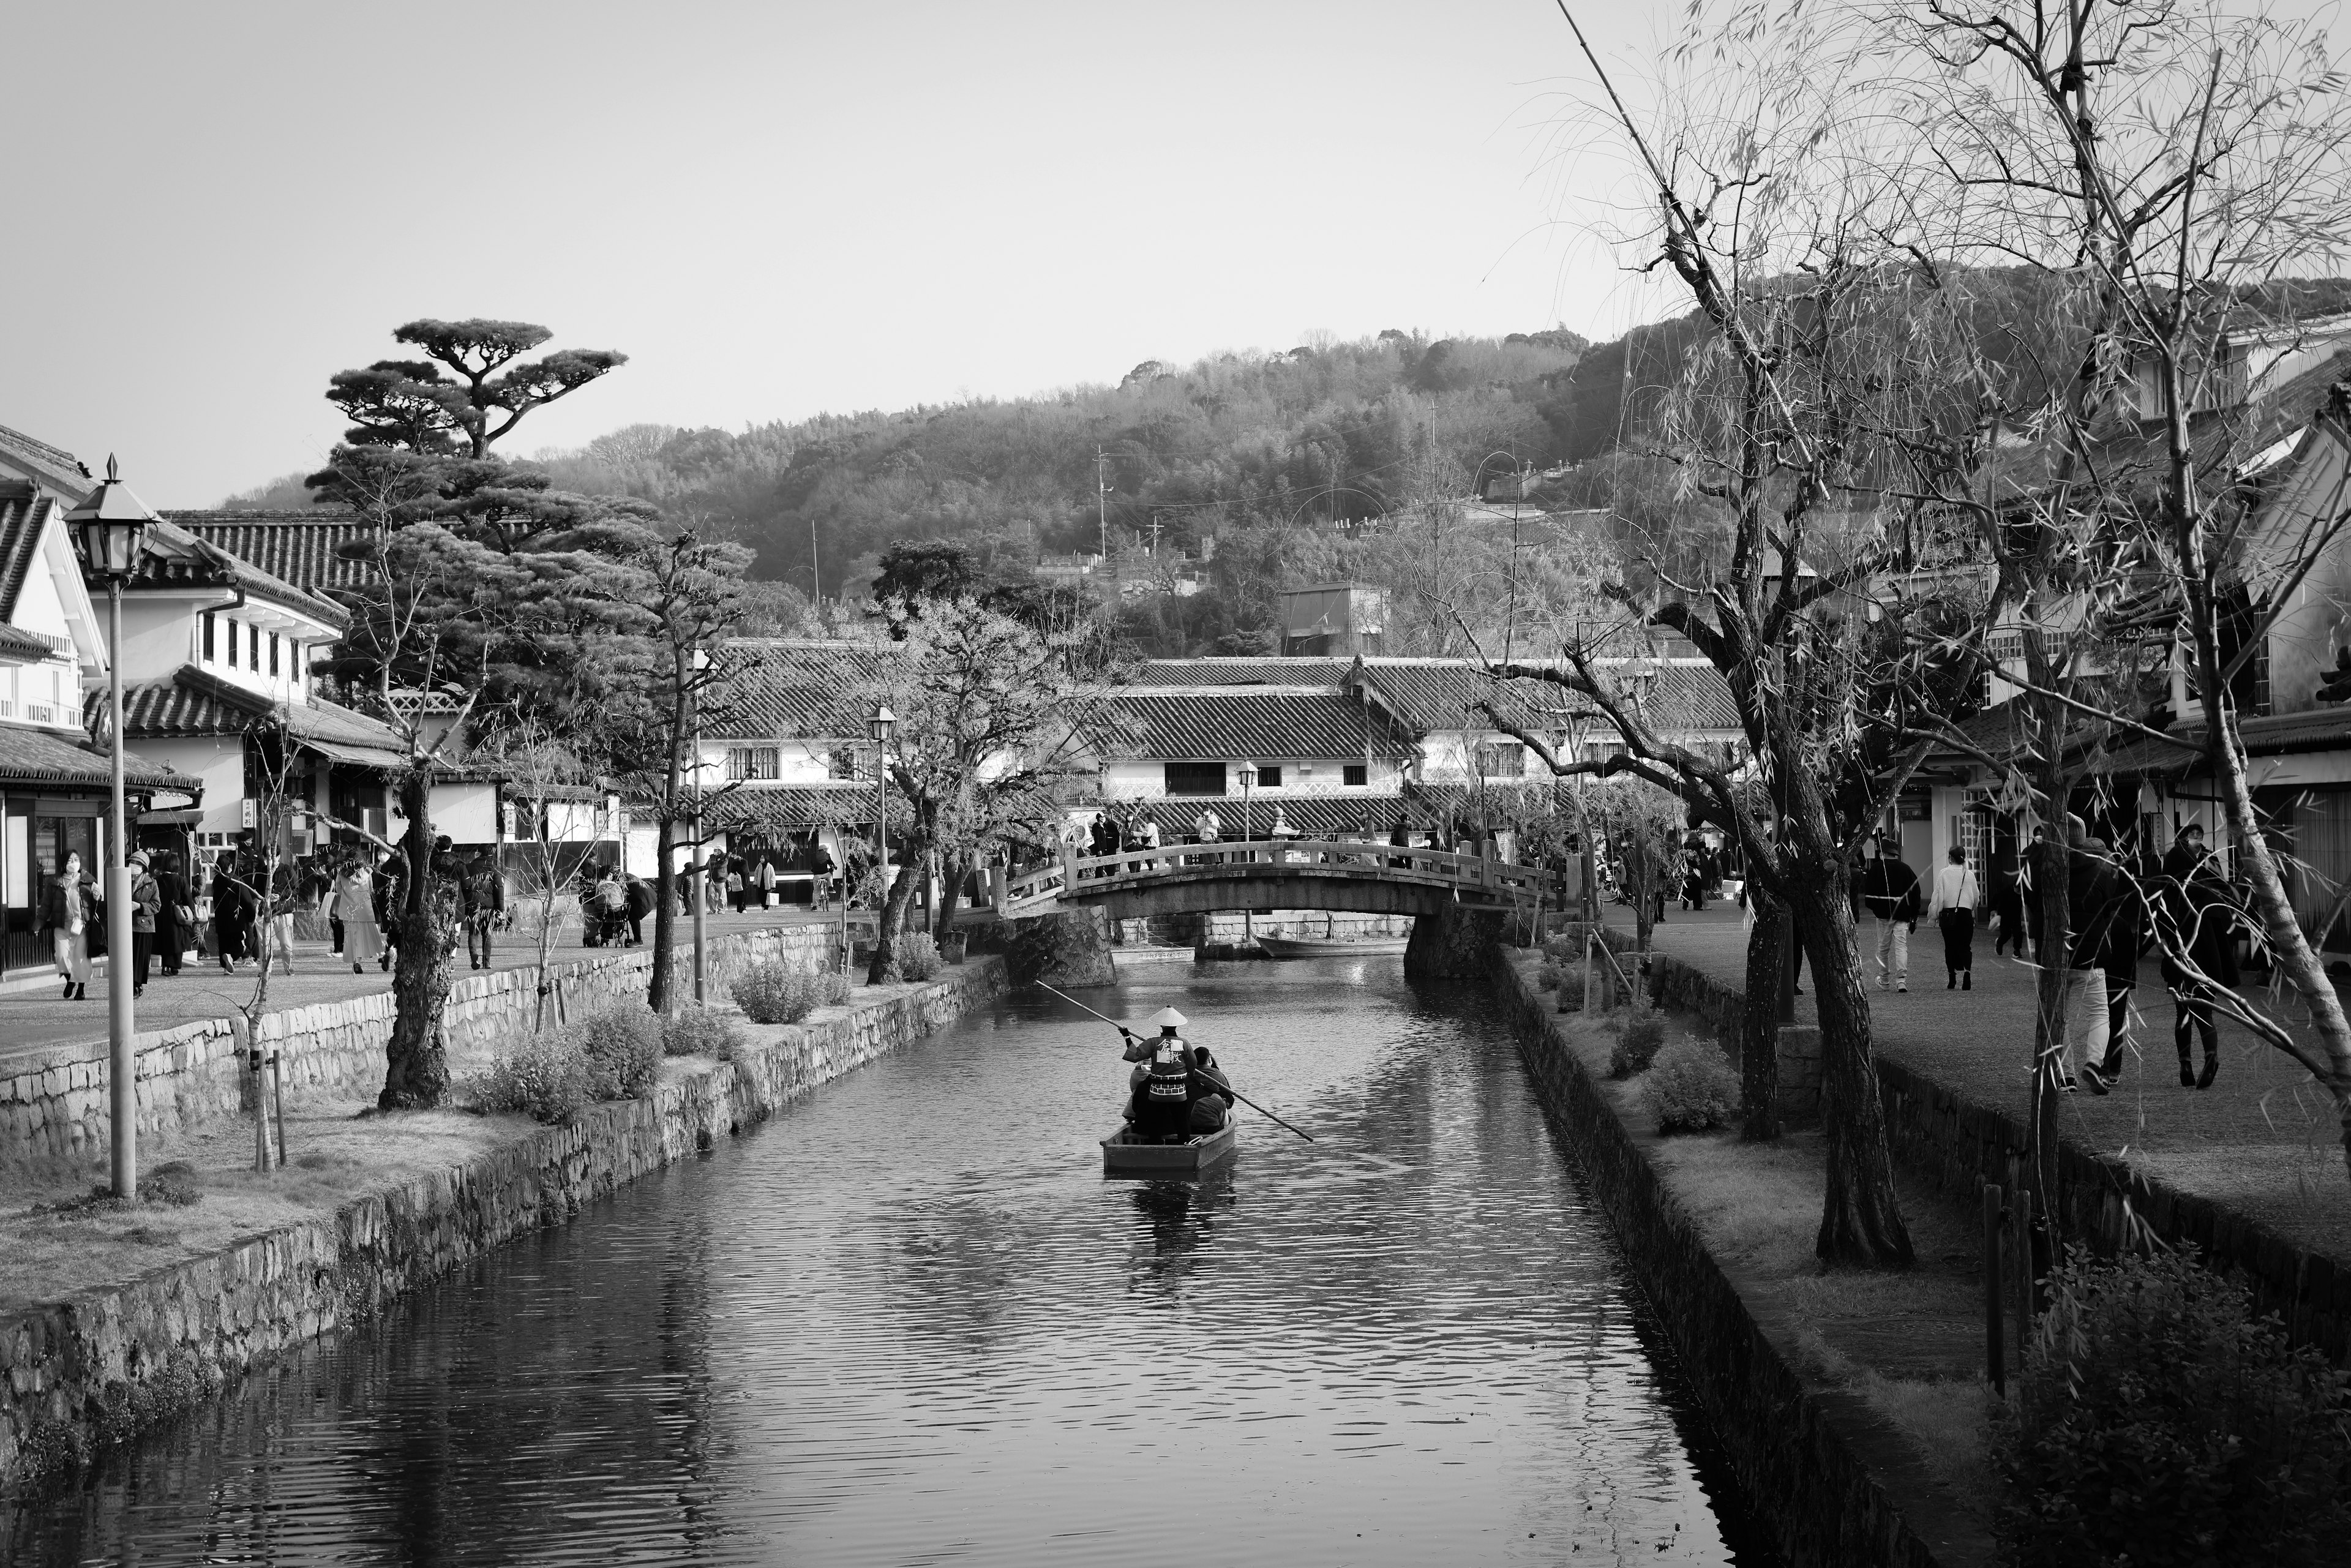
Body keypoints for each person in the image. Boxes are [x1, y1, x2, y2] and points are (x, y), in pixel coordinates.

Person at [2158, 822, 2240, 1090]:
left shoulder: (2171, 878)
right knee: (2204, 1007)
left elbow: (2162, 914)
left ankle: (2185, 1063)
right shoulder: (2208, 875)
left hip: (2182, 947)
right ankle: (2211, 1056)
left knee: (2183, 1009)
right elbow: (2225, 905)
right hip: (2209, 949)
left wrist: (2163, 945)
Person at [2059, 822, 2120, 1093]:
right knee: (2100, 1013)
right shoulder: (2101, 870)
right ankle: (2094, 1064)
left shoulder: (2051, 869)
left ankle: (2066, 1077)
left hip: (2056, 955)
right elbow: (2110, 908)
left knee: (2058, 1017)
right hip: (2091, 954)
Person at [1120, 1006, 1200, 1144]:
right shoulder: (1184, 1044)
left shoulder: (1153, 1042)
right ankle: (1185, 1147)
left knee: (1155, 1122)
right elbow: (1193, 1065)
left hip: (1158, 1092)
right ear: (1175, 1026)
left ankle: (1155, 1147)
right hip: (1178, 1091)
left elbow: (1135, 1055)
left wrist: (1127, 1036)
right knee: (1182, 1121)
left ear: (1162, 1026)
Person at [1858, 835, 1922, 992]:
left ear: (1883, 853)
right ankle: (1902, 981)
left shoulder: (1876, 869)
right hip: (1902, 914)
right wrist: (1914, 913)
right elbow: (1916, 893)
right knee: (1901, 946)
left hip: (1883, 915)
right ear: (1895, 853)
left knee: (1883, 948)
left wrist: (1875, 909)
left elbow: (1869, 895)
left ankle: (1885, 980)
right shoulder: (1906, 869)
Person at [41, 850, 96, 1000]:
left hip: (82, 926)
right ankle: (70, 980)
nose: (73, 863)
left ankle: (81, 990)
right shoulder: (55, 882)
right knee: (61, 957)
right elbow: (46, 906)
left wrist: (97, 895)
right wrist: (38, 925)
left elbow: (95, 904)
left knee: (81, 959)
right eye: (70, 860)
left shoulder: (87, 880)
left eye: (76, 859)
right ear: (64, 863)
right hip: (62, 926)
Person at [1928, 844, 1981, 990]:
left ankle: (1952, 978)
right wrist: (1972, 909)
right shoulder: (1969, 875)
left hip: (1948, 915)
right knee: (1965, 947)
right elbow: (1976, 897)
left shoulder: (1944, 873)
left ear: (1951, 858)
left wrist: (1935, 915)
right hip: (1965, 914)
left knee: (1950, 946)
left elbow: (1938, 896)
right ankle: (1967, 978)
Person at [336, 859, 384, 975]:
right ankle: (358, 961)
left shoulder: (341, 873)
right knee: (361, 938)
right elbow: (371, 890)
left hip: (348, 910)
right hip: (364, 909)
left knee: (352, 937)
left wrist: (347, 897)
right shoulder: (367, 872)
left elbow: (338, 889)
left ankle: (355, 961)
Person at [127, 850, 160, 997]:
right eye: (132, 862)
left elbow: (157, 905)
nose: (134, 866)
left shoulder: (151, 883)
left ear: (144, 867)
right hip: (126, 926)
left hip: (144, 926)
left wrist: (140, 906)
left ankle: (137, 985)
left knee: (140, 958)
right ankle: (128, 985)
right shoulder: (123, 879)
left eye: (138, 864)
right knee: (127, 958)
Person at [463, 849, 503, 970]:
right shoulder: (494, 869)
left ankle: (474, 955)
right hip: (488, 906)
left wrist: (466, 903)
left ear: (478, 854)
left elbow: (465, 886)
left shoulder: (469, 867)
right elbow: (499, 889)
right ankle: (487, 962)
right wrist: (500, 909)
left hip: (473, 905)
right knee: (487, 933)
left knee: (473, 933)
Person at [212, 850, 251, 973]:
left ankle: (227, 968)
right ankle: (232, 958)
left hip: (221, 919)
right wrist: (251, 916)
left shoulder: (216, 881)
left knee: (224, 944)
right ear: (230, 866)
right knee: (240, 946)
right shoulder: (236, 881)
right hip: (236, 919)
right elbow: (247, 900)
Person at [154, 848, 187, 977]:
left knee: (165, 941)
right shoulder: (181, 880)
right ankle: (174, 967)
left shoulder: (158, 880)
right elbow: (188, 900)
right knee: (177, 941)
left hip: (161, 914)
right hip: (177, 915)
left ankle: (166, 966)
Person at [373, 849, 407, 971]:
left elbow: (379, 889)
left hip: (388, 905)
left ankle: (390, 952)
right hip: (403, 903)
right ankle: (395, 957)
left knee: (392, 930)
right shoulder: (405, 867)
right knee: (402, 932)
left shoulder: (385, 867)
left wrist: (380, 907)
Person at [623, 871, 653, 945]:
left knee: (633, 917)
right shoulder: (623, 875)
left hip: (642, 897)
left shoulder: (620, 878)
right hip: (641, 894)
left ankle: (638, 941)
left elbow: (623, 891)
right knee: (632, 916)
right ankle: (638, 940)